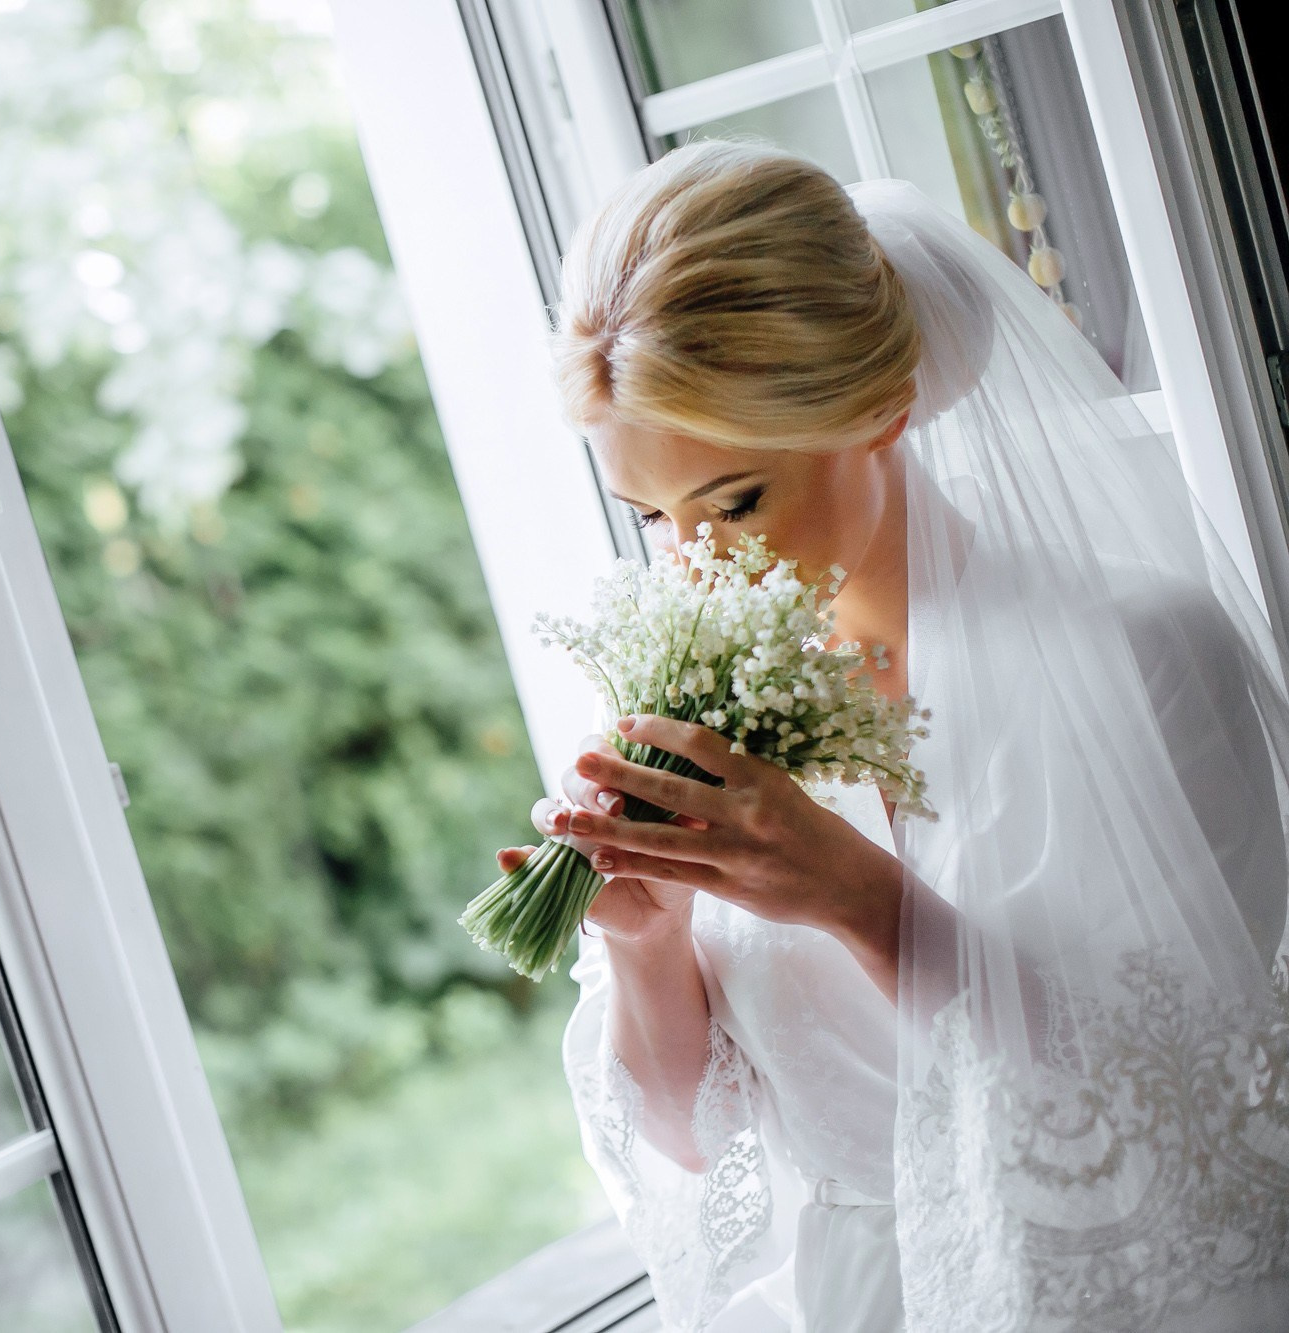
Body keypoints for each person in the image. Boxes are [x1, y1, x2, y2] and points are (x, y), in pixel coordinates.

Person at [496, 141, 1289, 1331]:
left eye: (736, 501)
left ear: (879, 409)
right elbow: (693, 1146)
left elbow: (1184, 1101)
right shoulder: (706, 709)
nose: (698, 565)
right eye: (651, 517)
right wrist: (646, 943)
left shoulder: (1141, 651)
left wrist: (852, 893)